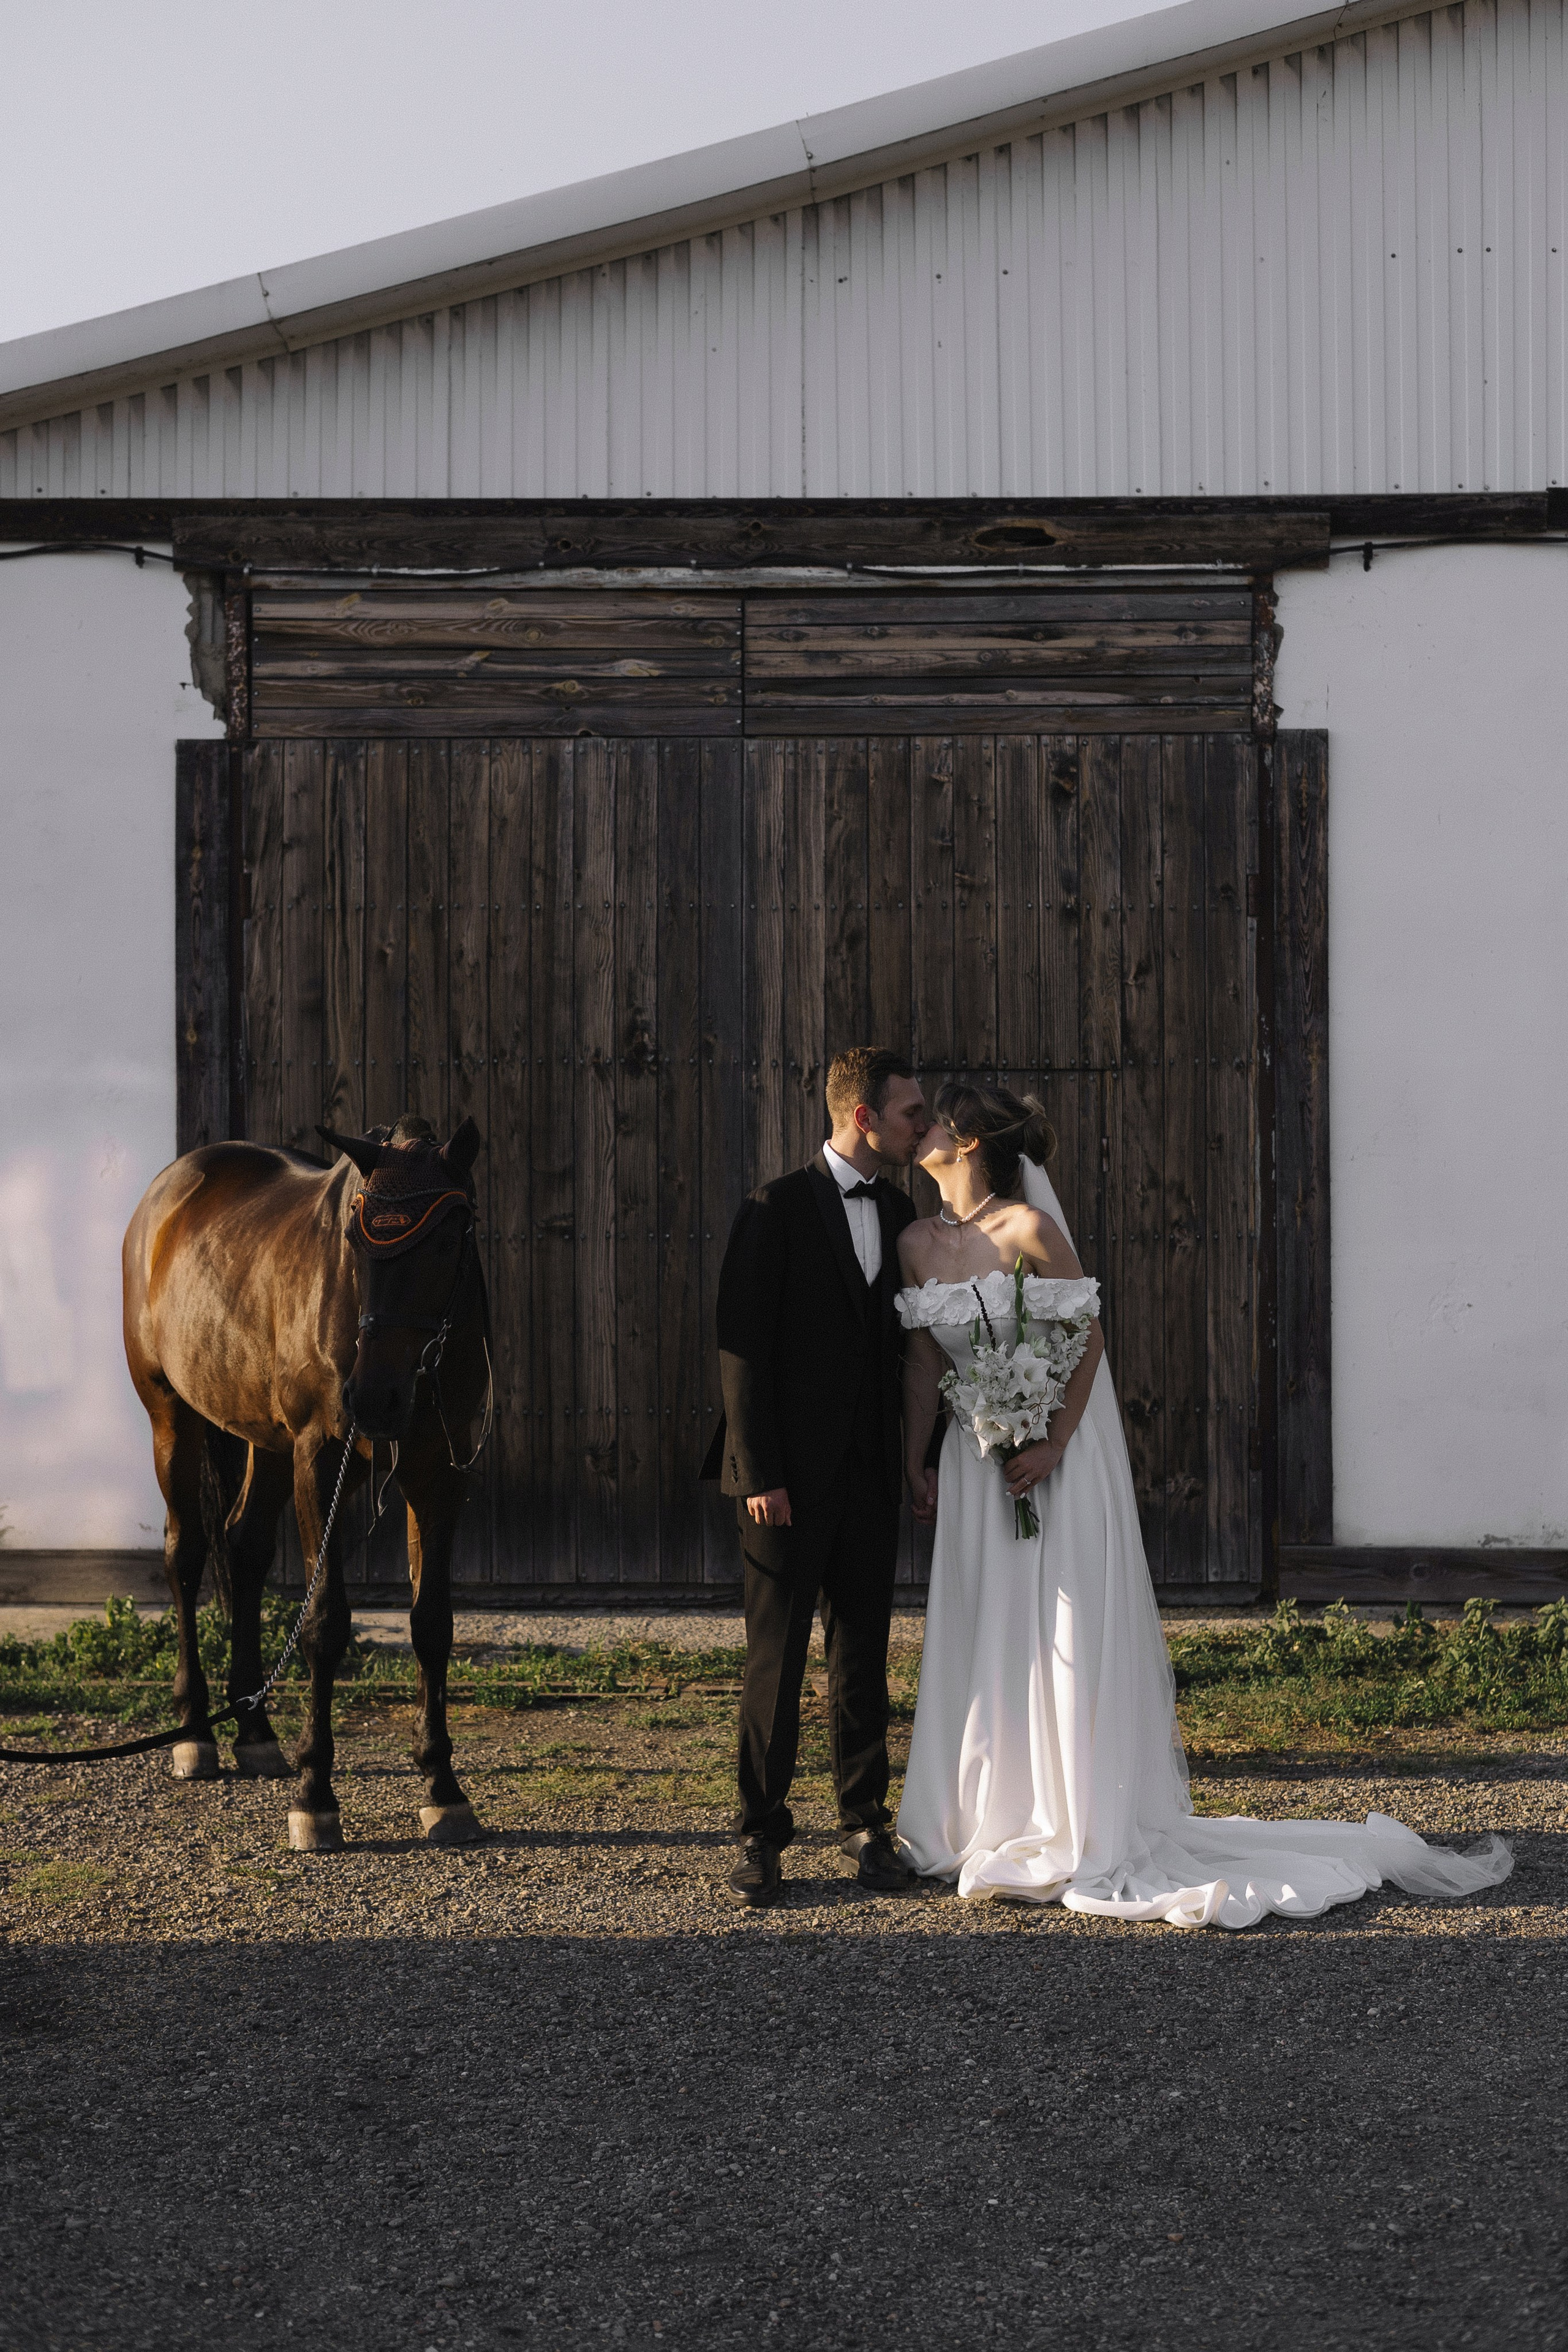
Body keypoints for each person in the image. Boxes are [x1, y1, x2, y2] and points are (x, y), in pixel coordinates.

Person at [894, 1079, 1513, 1928]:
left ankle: (1066, 1818)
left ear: (967, 1142)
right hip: (973, 1467)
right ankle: (976, 1814)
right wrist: (916, 1461)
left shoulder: (1030, 1231)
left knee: (1053, 1620)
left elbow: (1084, 1344)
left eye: (935, 1121)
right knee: (987, 1621)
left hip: (1046, 1462)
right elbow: (927, 1361)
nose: (919, 1128)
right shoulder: (915, 1242)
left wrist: (1052, 1443)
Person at [702, 1047, 929, 1906]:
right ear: (863, 1116)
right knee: (777, 1658)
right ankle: (759, 1835)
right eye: (909, 1111)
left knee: (863, 1655)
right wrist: (759, 1470)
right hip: (783, 1486)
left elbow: (908, 1355)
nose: (922, 1124)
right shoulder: (776, 1206)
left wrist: (914, 1465)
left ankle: (865, 1823)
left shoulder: (902, 1209)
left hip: (870, 1478)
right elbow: (742, 1349)